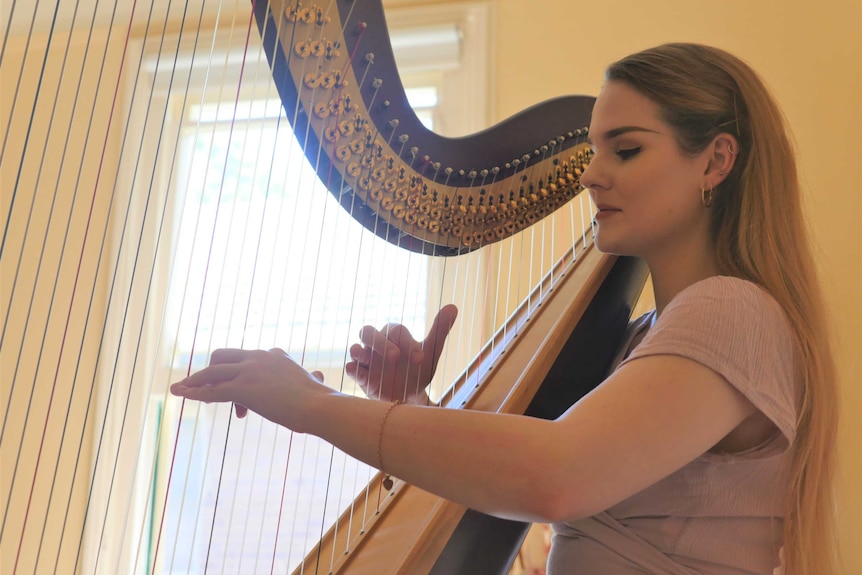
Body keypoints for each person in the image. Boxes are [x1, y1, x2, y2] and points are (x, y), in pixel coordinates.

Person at [170, 43, 838, 575]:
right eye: (595, 147)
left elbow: (557, 474)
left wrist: (315, 407)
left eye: (625, 149)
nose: (589, 173)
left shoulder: (733, 311)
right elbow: (538, 476)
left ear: (715, 162)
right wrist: (413, 404)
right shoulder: (643, 338)